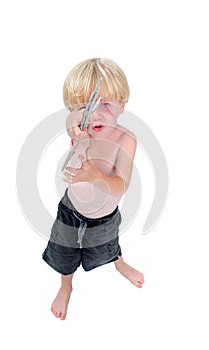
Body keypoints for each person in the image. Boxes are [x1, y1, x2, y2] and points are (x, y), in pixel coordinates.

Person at [42, 58, 144, 320]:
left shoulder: (125, 139)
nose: (95, 113)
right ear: (74, 110)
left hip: (104, 217)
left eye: (106, 103)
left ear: (122, 106)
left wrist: (95, 175)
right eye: (85, 106)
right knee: (64, 255)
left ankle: (119, 264)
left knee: (109, 246)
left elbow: (121, 186)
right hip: (70, 211)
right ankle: (66, 286)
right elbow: (71, 125)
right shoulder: (79, 128)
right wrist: (75, 126)